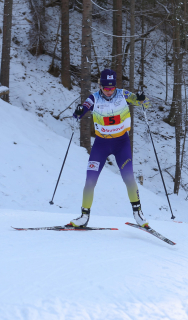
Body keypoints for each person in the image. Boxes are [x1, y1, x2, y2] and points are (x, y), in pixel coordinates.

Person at [69, 69, 150, 228]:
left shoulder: (123, 95)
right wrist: (78, 112)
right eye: (105, 88)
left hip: (121, 143)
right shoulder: (94, 98)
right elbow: (81, 110)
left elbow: (145, 103)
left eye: (111, 88)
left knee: (128, 177)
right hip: (101, 144)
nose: (108, 91)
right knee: (90, 179)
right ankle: (84, 216)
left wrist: (142, 99)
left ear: (115, 86)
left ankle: (138, 213)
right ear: (100, 86)